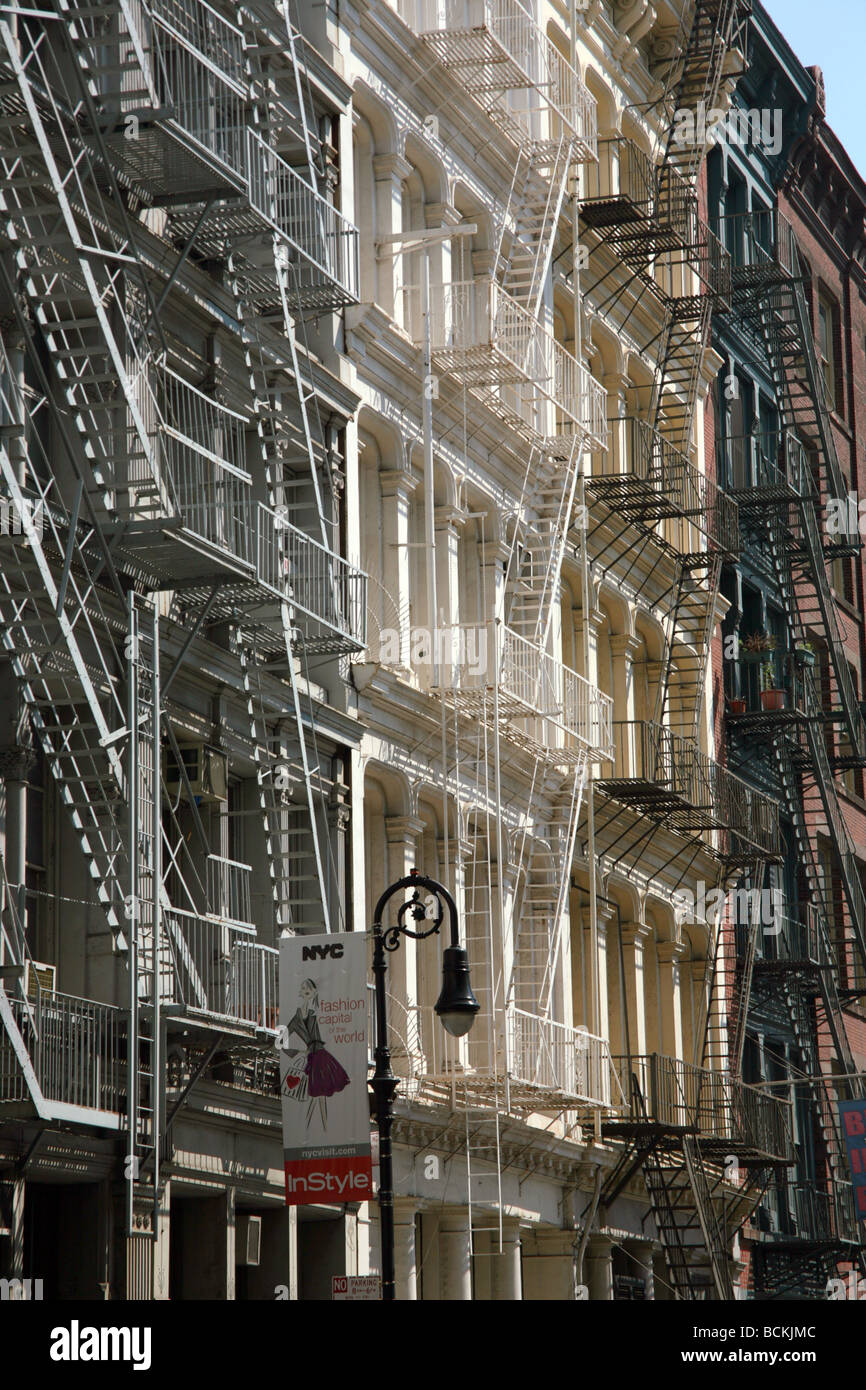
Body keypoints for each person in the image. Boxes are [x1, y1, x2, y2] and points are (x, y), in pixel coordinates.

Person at [282, 978, 350, 1130]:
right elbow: (280, 1040)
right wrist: (297, 1052)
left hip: (321, 1055)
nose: (307, 990)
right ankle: (317, 1129)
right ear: (300, 992)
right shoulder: (297, 1017)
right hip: (313, 1057)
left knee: (320, 1096)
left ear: (314, 993)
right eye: (304, 987)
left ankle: (321, 1129)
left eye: (310, 988)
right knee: (316, 1096)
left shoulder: (316, 1013)